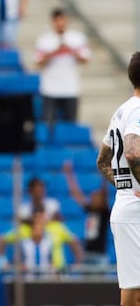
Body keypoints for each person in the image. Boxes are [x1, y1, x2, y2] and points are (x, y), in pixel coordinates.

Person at [96, 51, 140, 306]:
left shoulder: (122, 110)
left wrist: (125, 187)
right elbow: (134, 153)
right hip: (135, 213)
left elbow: (102, 161)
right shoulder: (137, 111)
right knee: (132, 297)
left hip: (128, 206)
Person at [35, 7, 91, 128]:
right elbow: (38, 63)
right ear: (52, 22)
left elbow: (86, 59)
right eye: (57, 20)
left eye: (62, 20)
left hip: (70, 89)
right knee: (48, 126)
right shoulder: (45, 40)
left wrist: (71, 50)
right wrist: (53, 52)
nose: (60, 23)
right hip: (50, 89)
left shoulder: (76, 38)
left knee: (70, 126)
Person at [0, 209, 83, 273]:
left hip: (57, 272)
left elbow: (74, 242)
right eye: (37, 218)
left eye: (42, 217)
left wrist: (77, 264)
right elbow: (0, 240)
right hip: (29, 274)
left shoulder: (57, 227)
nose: (40, 221)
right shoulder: (23, 230)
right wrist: (2, 260)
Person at [63, 161, 110, 266]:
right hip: (87, 253)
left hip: (99, 255)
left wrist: (104, 175)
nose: (93, 199)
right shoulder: (90, 210)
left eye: (97, 198)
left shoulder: (104, 213)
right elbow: (76, 194)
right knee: (86, 282)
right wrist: (69, 175)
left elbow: (104, 191)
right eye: (92, 197)